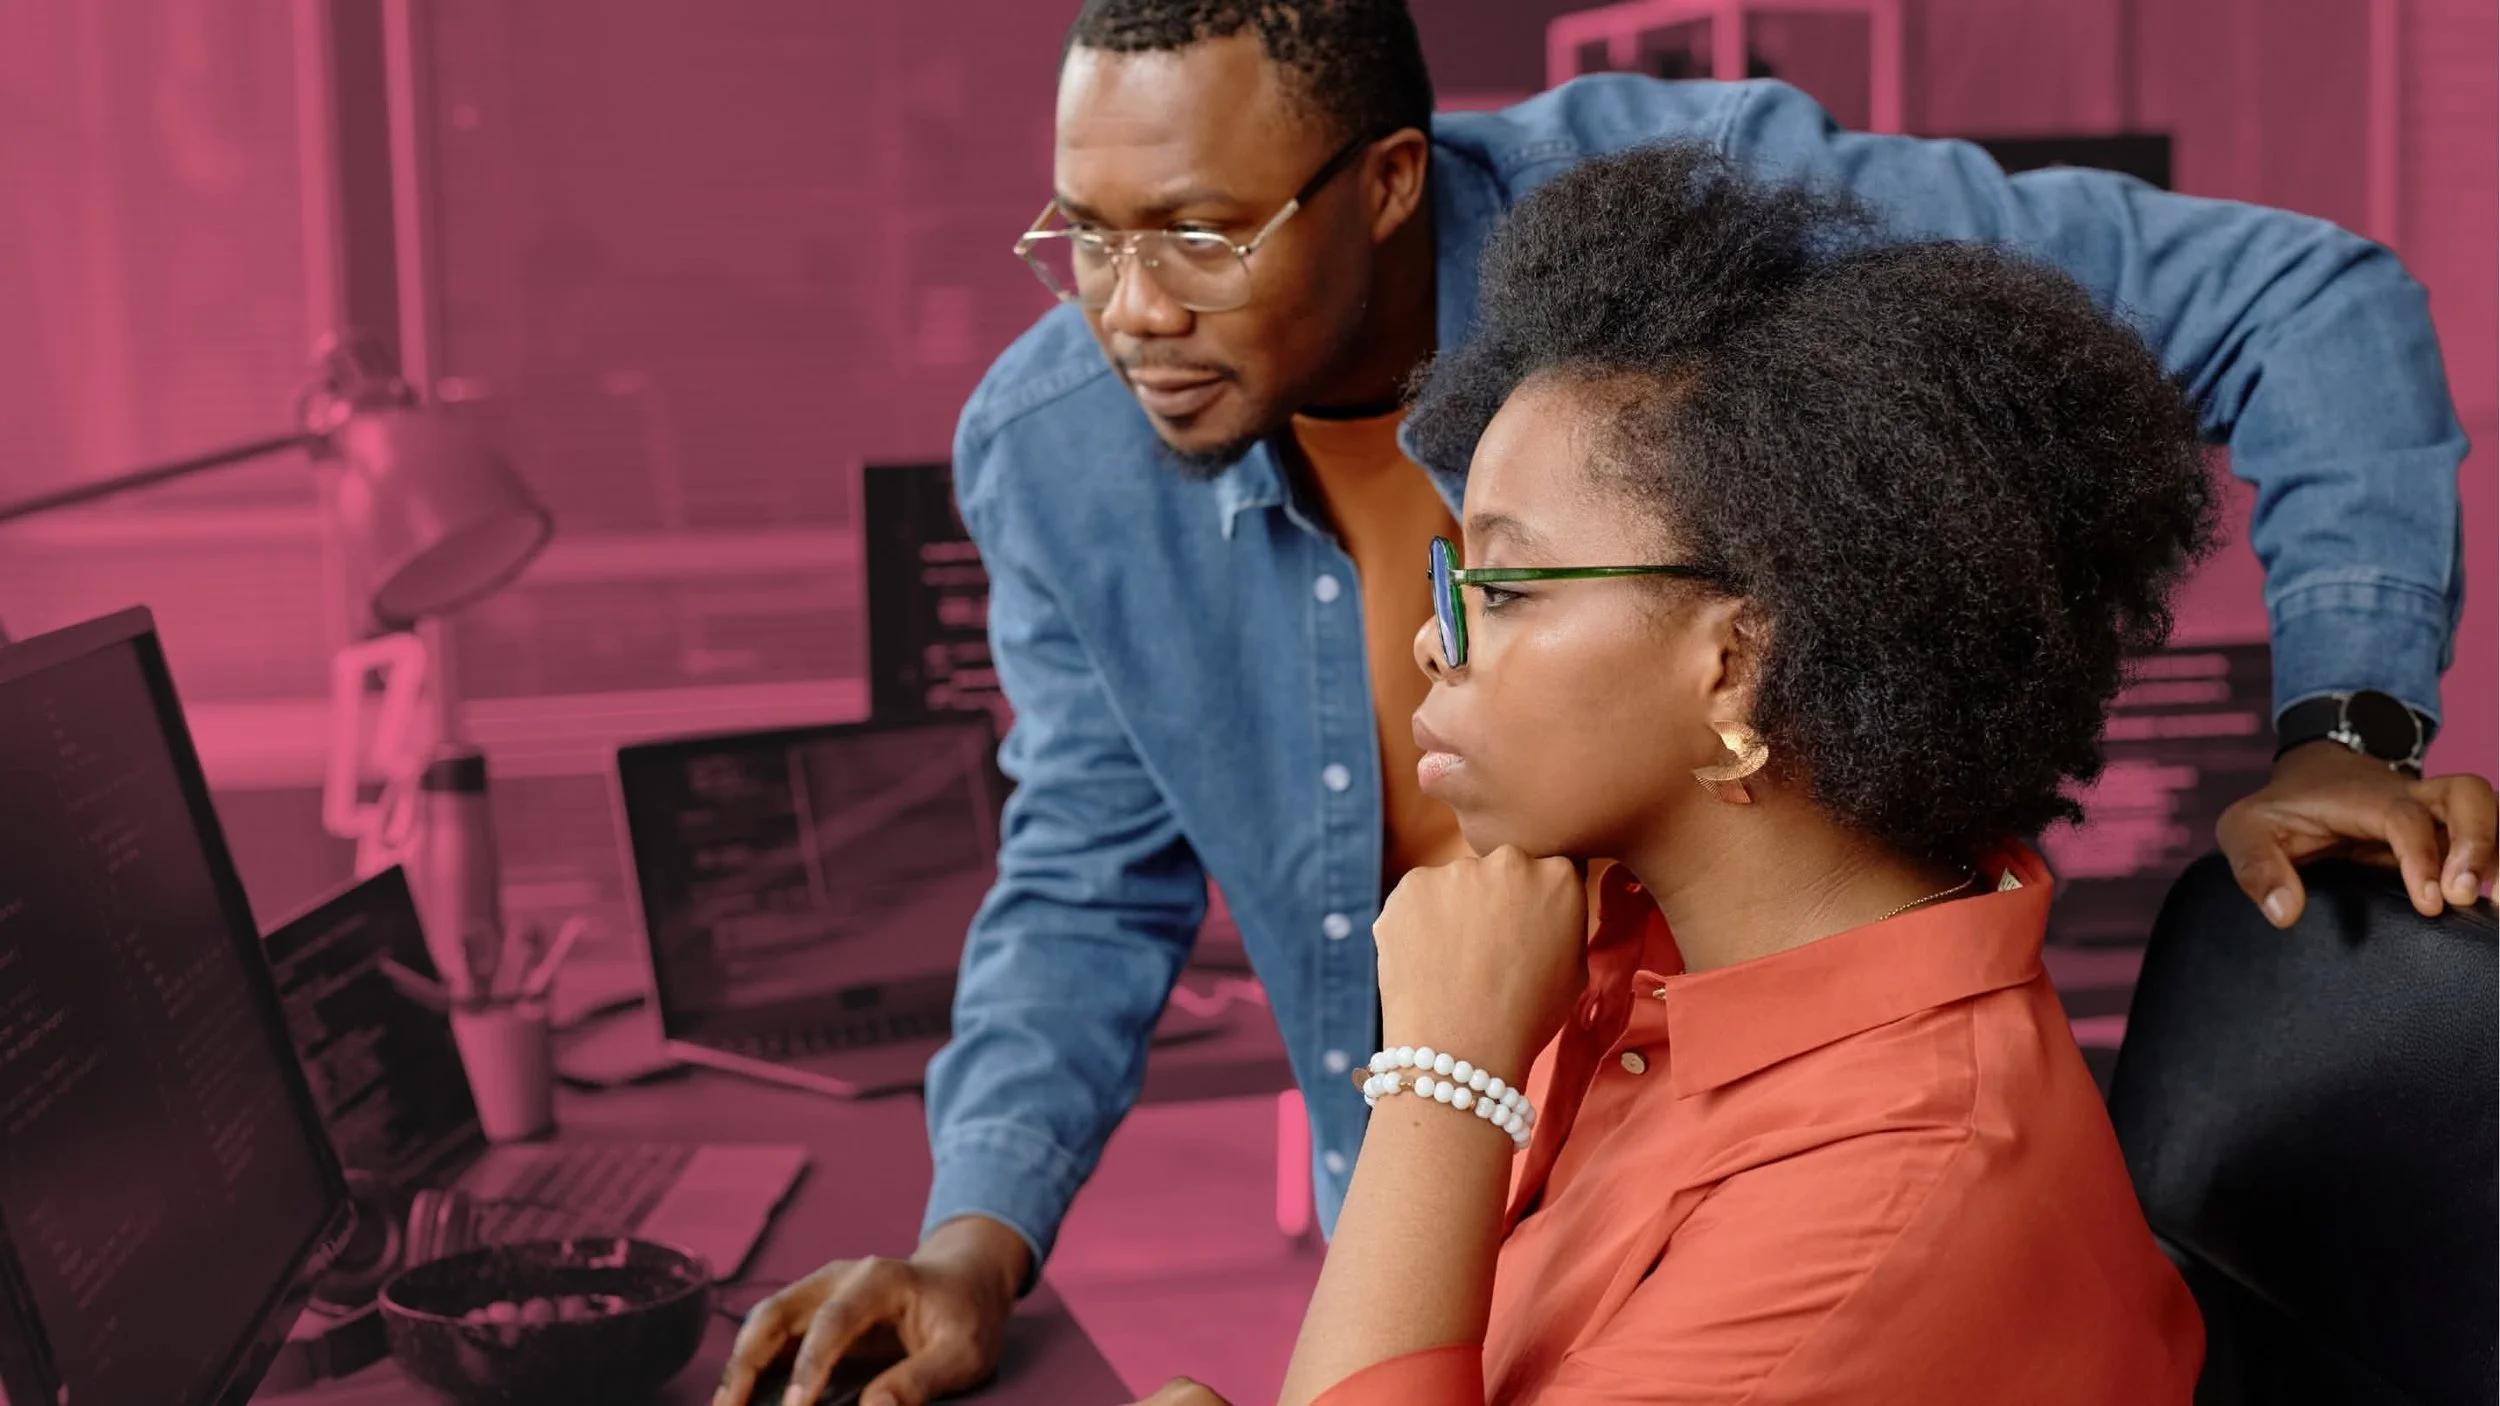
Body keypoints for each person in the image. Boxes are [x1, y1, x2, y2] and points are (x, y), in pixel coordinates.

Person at [716, 4, 2494, 1403]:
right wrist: (976, 1238)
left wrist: (2350, 726)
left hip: (1678, 1091)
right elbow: (1087, 877)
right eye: (1081, 236)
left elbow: (2297, 298)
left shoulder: (1710, 242)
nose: (1127, 310)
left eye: (1198, 232)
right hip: (1508, 1101)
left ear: (1390, 179)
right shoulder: (1055, 449)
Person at [1131, 136, 2215, 1406]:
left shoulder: (1884, 1194)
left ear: (1737, 662)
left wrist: (1441, 1075)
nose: (1437, 636)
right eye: (1454, 575)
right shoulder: (1625, 937)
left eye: (1508, 583)